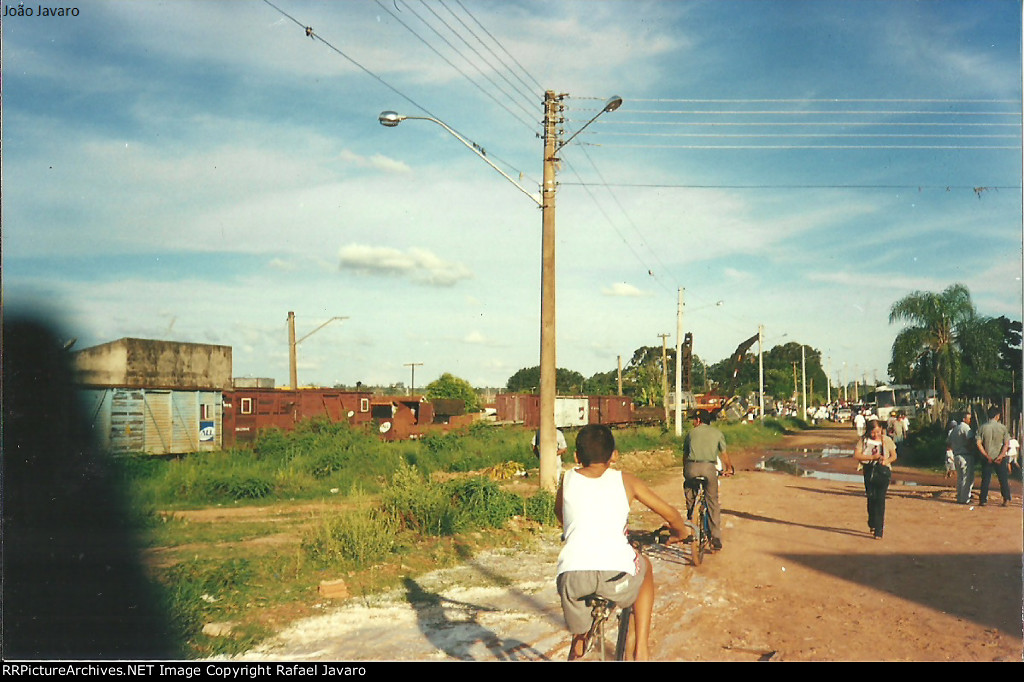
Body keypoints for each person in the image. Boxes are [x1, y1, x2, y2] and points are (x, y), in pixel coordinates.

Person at [555, 424, 689, 661]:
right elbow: (670, 515)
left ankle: (579, 644)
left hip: (571, 578)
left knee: (579, 636)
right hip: (615, 575)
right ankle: (641, 650)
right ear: (614, 455)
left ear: (576, 457)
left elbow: (561, 516)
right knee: (644, 567)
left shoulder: (567, 480)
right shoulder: (626, 481)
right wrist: (680, 532)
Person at [683, 409, 734, 551]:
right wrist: (729, 468)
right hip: (709, 468)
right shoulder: (717, 433)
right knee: (712, 501)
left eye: (694, 420)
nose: (693, 422)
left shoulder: (691, 433)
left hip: (691, 467)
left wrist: (685, 470)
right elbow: (724, 454)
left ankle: (690, 513)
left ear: (698, 421)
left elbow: (685, 455)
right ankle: (715, 538)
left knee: (689, 487)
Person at [853, 419, 898, 539]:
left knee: (881, 499)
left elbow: (894, 455)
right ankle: (872, 521)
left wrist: (886, 460)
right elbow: (857, 455)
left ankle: (879, 529)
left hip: (883, 471)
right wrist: (872, 457)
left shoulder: (886, 440)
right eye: (873, 432)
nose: (876, 435)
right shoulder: (863, 440)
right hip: (869, 471)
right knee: (871, 497)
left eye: (878, 431)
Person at [975, 406, 1011, 507]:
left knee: (985, 479)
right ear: (997, 416)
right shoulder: (1003, 427)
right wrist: (1001, 455)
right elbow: (1006, 444)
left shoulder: (983, 427)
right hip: (999, 457)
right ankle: (1006, 499)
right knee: (1003, 479)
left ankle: (983, 500)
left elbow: (978, 443)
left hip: (987, 457)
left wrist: (986, 455)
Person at [947, 410, 976, 504]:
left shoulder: (955, 429)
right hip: (965, 455)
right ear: (964, 419)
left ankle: (960, 496)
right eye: (969, 418)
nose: (970, 420)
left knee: (960, 478)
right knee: (967, 478)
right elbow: (970, 440)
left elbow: (949, 442)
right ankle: (965, 499)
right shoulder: (965, 428)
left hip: (956, 454)